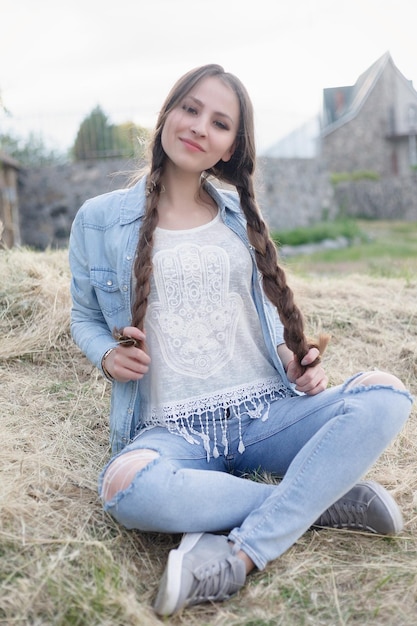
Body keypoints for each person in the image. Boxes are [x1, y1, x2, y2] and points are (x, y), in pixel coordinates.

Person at [69, 64, 413, 617]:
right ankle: (321, 501)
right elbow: (83, 317)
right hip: (170, 430)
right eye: (190, 109)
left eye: (220, 122)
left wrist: (290, 355)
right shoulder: (100, 219)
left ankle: (244, 553)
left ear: (230, 147)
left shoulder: (236, 217)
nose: (199, 126)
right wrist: (107, 355)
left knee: (386, 393)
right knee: (125, 488)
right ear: (167, 115)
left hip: (265, 416)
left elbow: (260, 316)